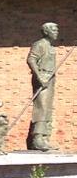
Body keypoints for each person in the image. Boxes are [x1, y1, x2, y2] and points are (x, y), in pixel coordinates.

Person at [27, 22, 59, 151]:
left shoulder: (51, 47)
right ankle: (37, 138)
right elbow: (31, 59)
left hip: (50, 78)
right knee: (41, 107)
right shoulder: (40, 44)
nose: (56, 32)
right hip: (42, 77)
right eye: (53, 30)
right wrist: (40, 77)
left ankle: (45, 137)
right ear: (46, 31)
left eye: (57, 30)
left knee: (48, 108)